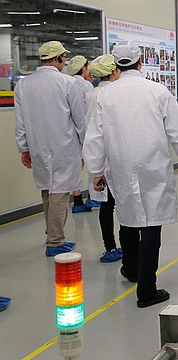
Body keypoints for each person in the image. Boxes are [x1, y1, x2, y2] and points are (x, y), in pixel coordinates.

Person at [83, 40, 178, 308]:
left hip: (120, 165)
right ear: (140, 62)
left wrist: (96, 170)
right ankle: (147, 289)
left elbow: (94, 136)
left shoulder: (104, 95)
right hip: (152, 165)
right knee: (151, 223)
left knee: (128, 216)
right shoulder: (157, 91)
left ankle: (130, 269)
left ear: (115, 64)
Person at [15, 41, 86, 256]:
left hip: (38, 145)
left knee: (47, 189)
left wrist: (23, 148)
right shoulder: (67, 83)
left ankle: (51, 233)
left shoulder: (23, 84)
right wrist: (86, 146)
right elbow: (80, 119)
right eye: (64, 57)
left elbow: (20, 122)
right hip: (63, 146)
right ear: (59, 59)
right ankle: (55, 241)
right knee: (60, 193)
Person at [85, 54, 124, 263]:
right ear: (114, 71)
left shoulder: (90, 94)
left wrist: (96, 169)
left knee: (106, 206)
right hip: (115, 158)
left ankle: (109, 246)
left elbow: (90, 135)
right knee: (124, 206)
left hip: (99, 159)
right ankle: (125, 248)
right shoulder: (112, 94)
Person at [66, 54, 97, 212]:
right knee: (92, 161)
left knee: (76, 166)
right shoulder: (86, 86)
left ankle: (77, 200)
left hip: (69, 131)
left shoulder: (67, 82)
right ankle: (93, 196)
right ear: (84, 68)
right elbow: (89, 112)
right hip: (84, 129)